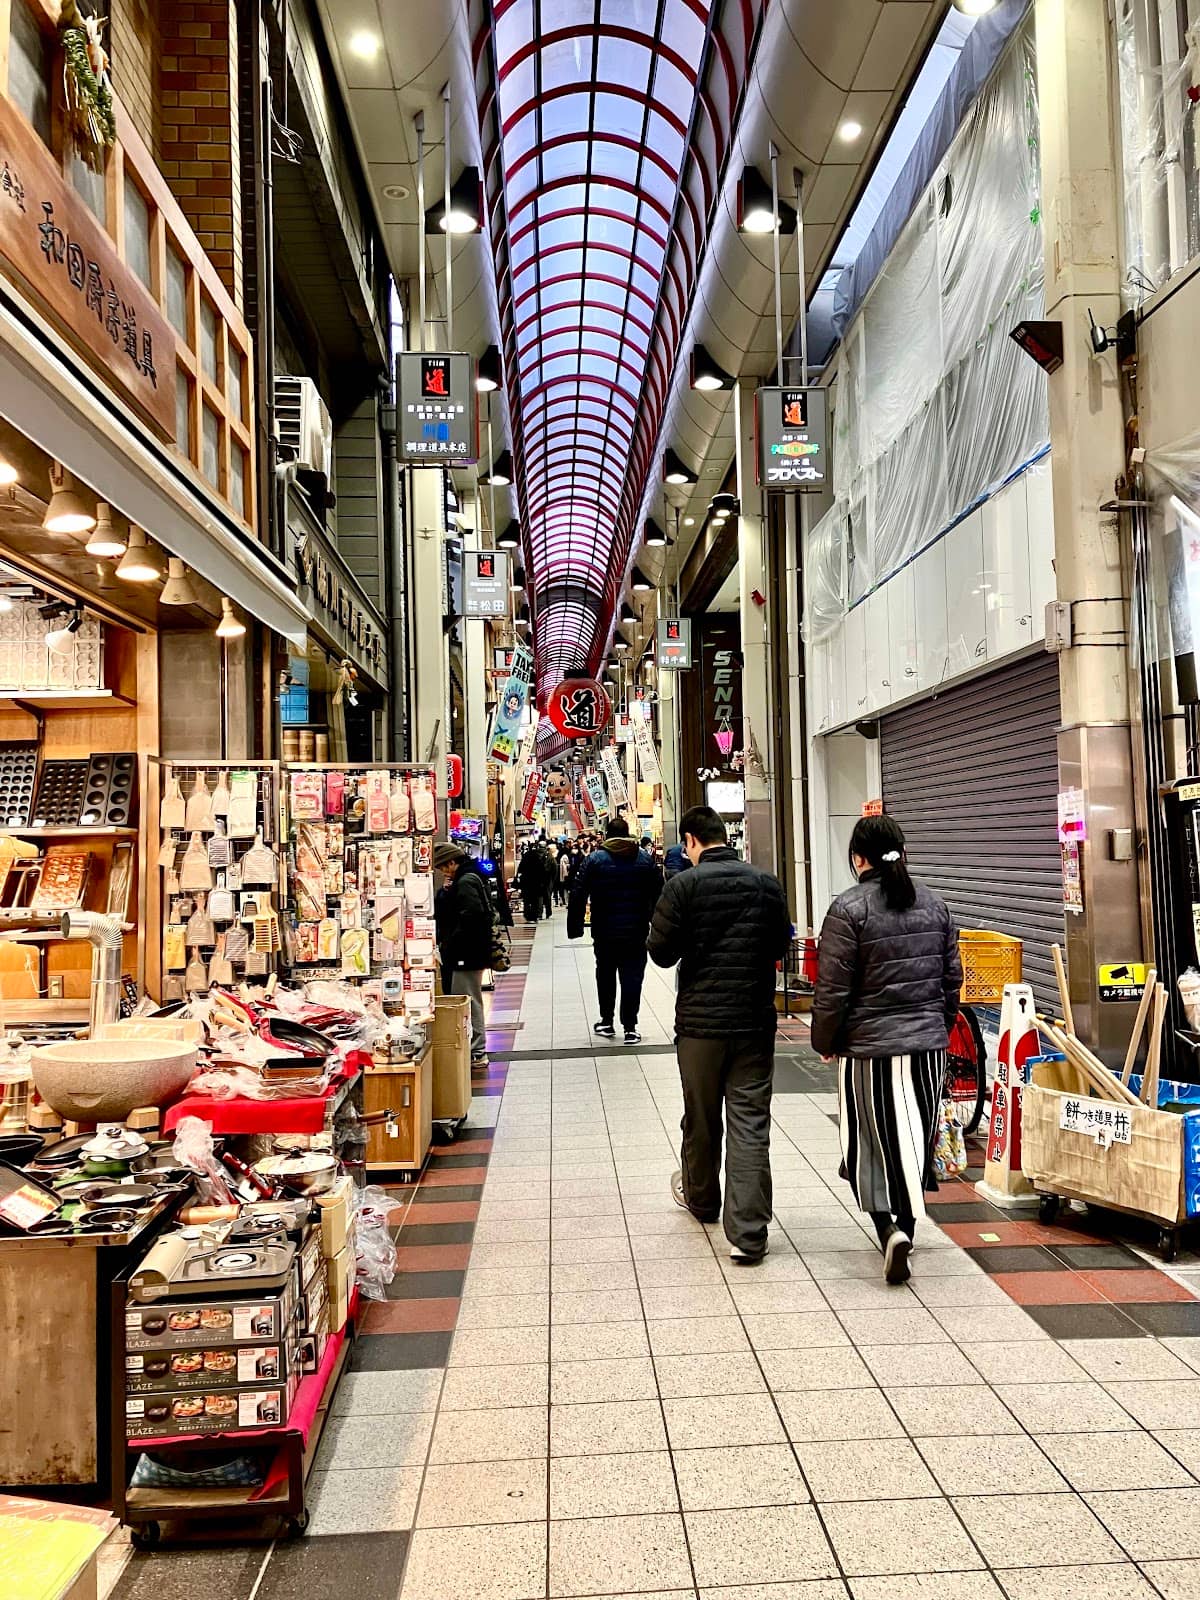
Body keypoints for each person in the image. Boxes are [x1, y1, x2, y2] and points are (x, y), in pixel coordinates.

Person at [811, 812, 962, 1286]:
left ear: (858, 858)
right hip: (927, 1048)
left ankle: (888, 1228)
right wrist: (940, 1026)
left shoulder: (848, 909)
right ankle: (910, 1228)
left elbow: (832, 988)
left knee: (870, 1140)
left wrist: (825, 1040)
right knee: (914, 1137)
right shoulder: (935, 905)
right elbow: (950, 981)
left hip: (869, 1050)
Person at [648, 804, 792, 1264]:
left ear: (690, 841)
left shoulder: (682, 886)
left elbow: (661, 954)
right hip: (753, 1023)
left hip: (700, 1027)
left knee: (702, 1116)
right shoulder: (766, 884)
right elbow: (778, 947)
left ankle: (703, 1201)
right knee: (750, 1123)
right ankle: (749, 1235)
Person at [568, 816, 662, 1044]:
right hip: (637, 931)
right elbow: (659, 892)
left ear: (607, 835)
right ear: (628, 833)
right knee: (632, 977)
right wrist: (658, 925)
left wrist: (576, 927)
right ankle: (630, 1027)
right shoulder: (644, 859)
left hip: (604, 931)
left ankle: (607, 1021)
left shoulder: (595, 859)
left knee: (606, 975)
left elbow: (578, 893)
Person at [433, 841, 494, 1065]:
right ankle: (475, 1048)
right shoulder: (465, 878)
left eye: (442, 867)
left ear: (451, 862)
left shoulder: (466, 880)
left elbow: (471, 916)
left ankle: (477, 1051)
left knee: (468, 999)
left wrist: (451, 941)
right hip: (467, 951)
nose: (442, 872)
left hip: (466, 952)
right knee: (468, 997)